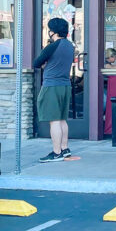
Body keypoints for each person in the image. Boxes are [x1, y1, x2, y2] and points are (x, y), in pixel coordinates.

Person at [34, 17, 75, 163]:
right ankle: (65, 149)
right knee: (62, 119)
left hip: (52, 86)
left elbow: (36, 63)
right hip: (65, 85)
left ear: (53, 31)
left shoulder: (52, 46)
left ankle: (56, 152)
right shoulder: (70, 46)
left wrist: (45, 64)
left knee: (54, 121)